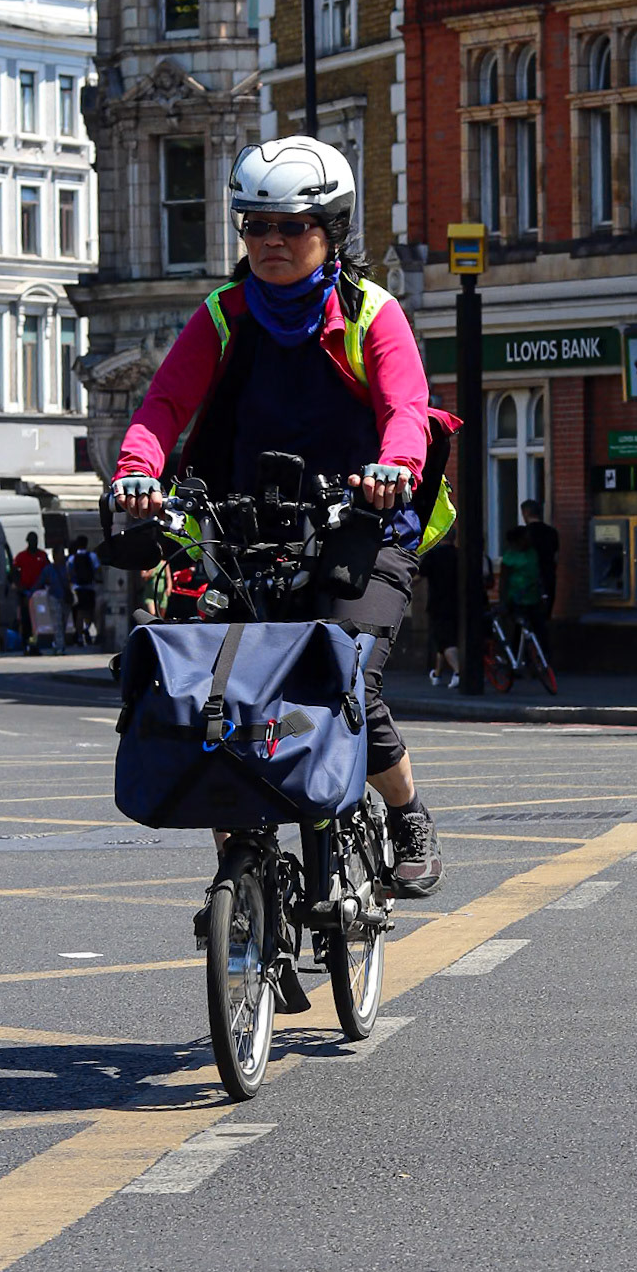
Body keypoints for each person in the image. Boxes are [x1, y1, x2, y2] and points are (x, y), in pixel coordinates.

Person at [111, 134, 444, 897]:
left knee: (348, 676)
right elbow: (163, 405)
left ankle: (406, 815)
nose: (270, 242)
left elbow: (407, 410)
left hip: (357, 526)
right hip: (243, 529)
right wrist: (138, 473)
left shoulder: (371, 313)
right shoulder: (224, 313)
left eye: (291, 227)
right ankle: (244, 882)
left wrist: (395, 471)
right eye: (255, 226)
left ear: (331, 231)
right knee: (215, 694)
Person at [498, 523, 546, 649]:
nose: (529, 540)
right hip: (517, 600)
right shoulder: (510, 557)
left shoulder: (533, 552)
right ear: (519, 540)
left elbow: (538, 573)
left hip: (533, 598)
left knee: (540, 630)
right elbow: (504, 580)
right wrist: (503, 601)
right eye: (526, 537)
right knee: (518, 632)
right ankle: (517, 658)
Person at [423, 536, 459, 687]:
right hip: (458, 604)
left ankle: (459, 672)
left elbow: (417, 576)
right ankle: (437, 674)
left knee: (445, 642)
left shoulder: (433, 555)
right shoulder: (460, 555)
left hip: (438, 604)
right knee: (442, 641)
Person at [13, 530, 49, 654]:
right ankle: (26, 644)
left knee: (39, 621)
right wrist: (20, 587)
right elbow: (15, 572)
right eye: (31, 540)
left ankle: (37, 643)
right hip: (26, 593)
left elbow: (47, 572)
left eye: (35, 540)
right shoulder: (21, 556)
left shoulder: (42, 556)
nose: (33, 543)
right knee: (26, 620)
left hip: (40, 595)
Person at [37, 545, 73, 655]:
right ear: (54, 556)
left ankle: (58, 643)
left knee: (63, 622)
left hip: (66, 598)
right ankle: (60, 646)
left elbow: (73, 579)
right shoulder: (49, 569)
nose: (62, 556)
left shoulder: (67, 567)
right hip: (54, 597)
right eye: (60, 553)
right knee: (57, 622)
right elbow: (40, 582)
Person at [70, 535, 100, 645]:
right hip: (90, 588)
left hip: (78, 589)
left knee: (79, 613)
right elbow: (97, 570)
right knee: (90, 612)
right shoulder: (92, 556)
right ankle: (88, 631)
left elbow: (70, 572)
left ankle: (79, 636)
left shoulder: (72, 558)